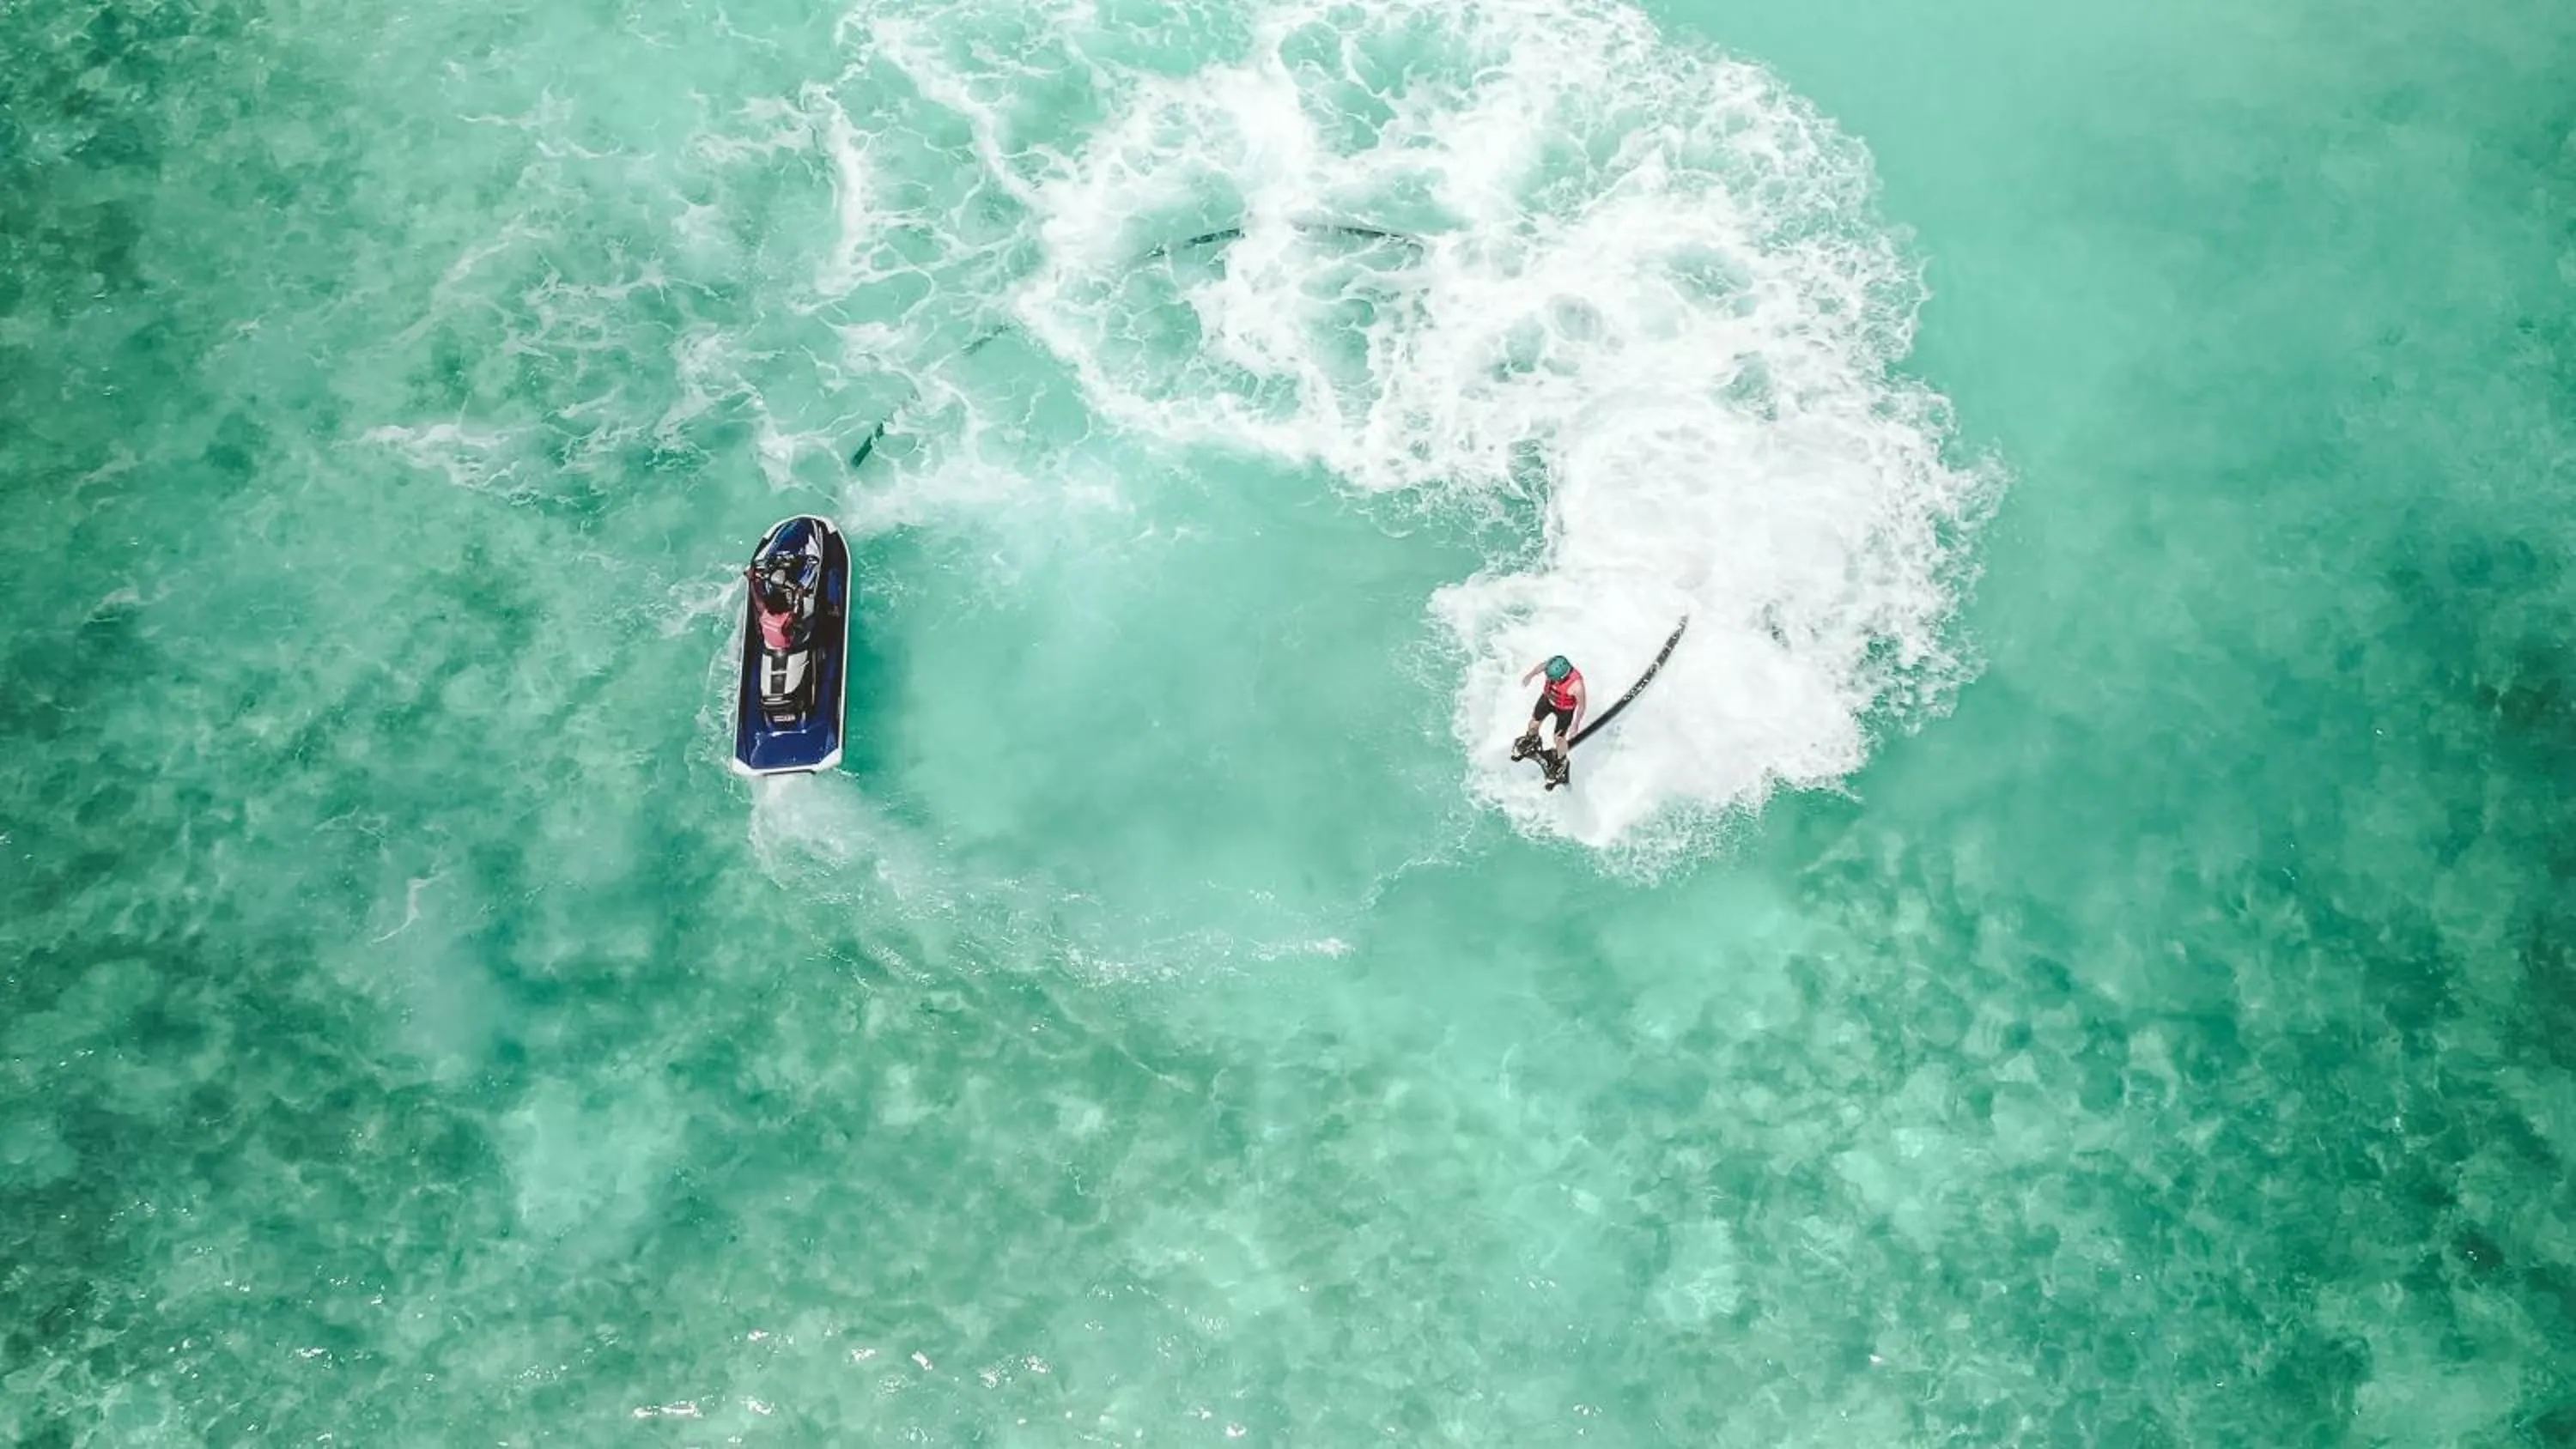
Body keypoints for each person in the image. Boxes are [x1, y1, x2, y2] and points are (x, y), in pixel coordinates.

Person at [1517, 654, 1586, 759]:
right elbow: (1540, 668)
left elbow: (1581, 706)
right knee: (1533, 724)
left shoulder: (1577, 686)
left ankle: (1561, 760)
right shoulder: (1552, 666)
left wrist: (1575, 724)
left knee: (1558, 738)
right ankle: (1533, 741)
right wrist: (1529, 676)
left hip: (1564, 710)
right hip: (1547, 700)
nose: (1550, 680)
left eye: (1553, 679)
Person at [746, 561, 801, 652]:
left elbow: (756, 596)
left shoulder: (764, 611)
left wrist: (751, 580)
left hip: (770, 644)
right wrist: (799, 597)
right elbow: (798, 614)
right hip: (786, 646)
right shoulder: (788, 618)